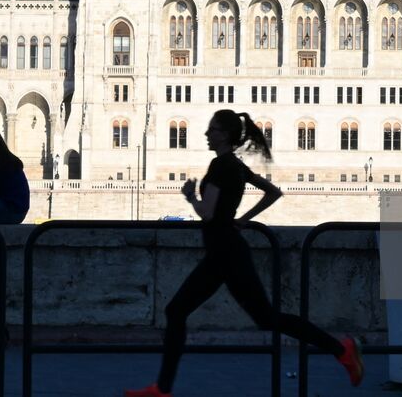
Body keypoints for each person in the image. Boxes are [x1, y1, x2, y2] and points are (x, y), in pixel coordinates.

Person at [125, 109, 364, 397]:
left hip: (224, 253)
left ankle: (342, 350)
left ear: (224, 134)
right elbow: (273, 192)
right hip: (227, 251)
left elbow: (207, 213)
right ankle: (342, 351)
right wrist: (244, 219)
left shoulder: (220, 167)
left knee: (187, 311)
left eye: (212, 130)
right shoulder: (237, 167)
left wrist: (190, 196)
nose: (206, 134)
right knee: (259, 317)